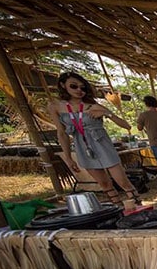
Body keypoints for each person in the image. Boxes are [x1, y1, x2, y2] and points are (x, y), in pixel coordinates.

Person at [48, 71, 140, 205]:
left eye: (83, 87)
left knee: (123, 182)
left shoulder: (93, 106)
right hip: (82, 147)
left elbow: (126, 126)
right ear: (63, 86)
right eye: (74, 86)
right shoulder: (55, 106)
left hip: (102, 144)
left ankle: (138, 206)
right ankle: (118, 209)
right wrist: (68, 158)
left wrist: (107, 113)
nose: (79, 90)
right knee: (104, 184)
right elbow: (61, 134)